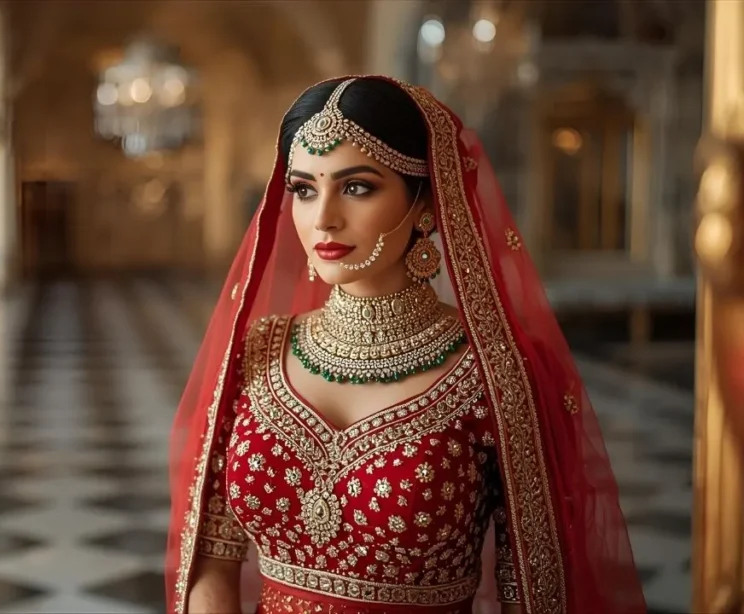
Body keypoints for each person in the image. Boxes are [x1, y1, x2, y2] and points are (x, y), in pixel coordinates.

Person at [166, 76, 646, 614]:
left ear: (426, 203)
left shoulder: (494, 371)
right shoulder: (255, 353)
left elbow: (534, 590)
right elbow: (209, 559)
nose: (323, 215)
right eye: (304, 188)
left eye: (356, 187)